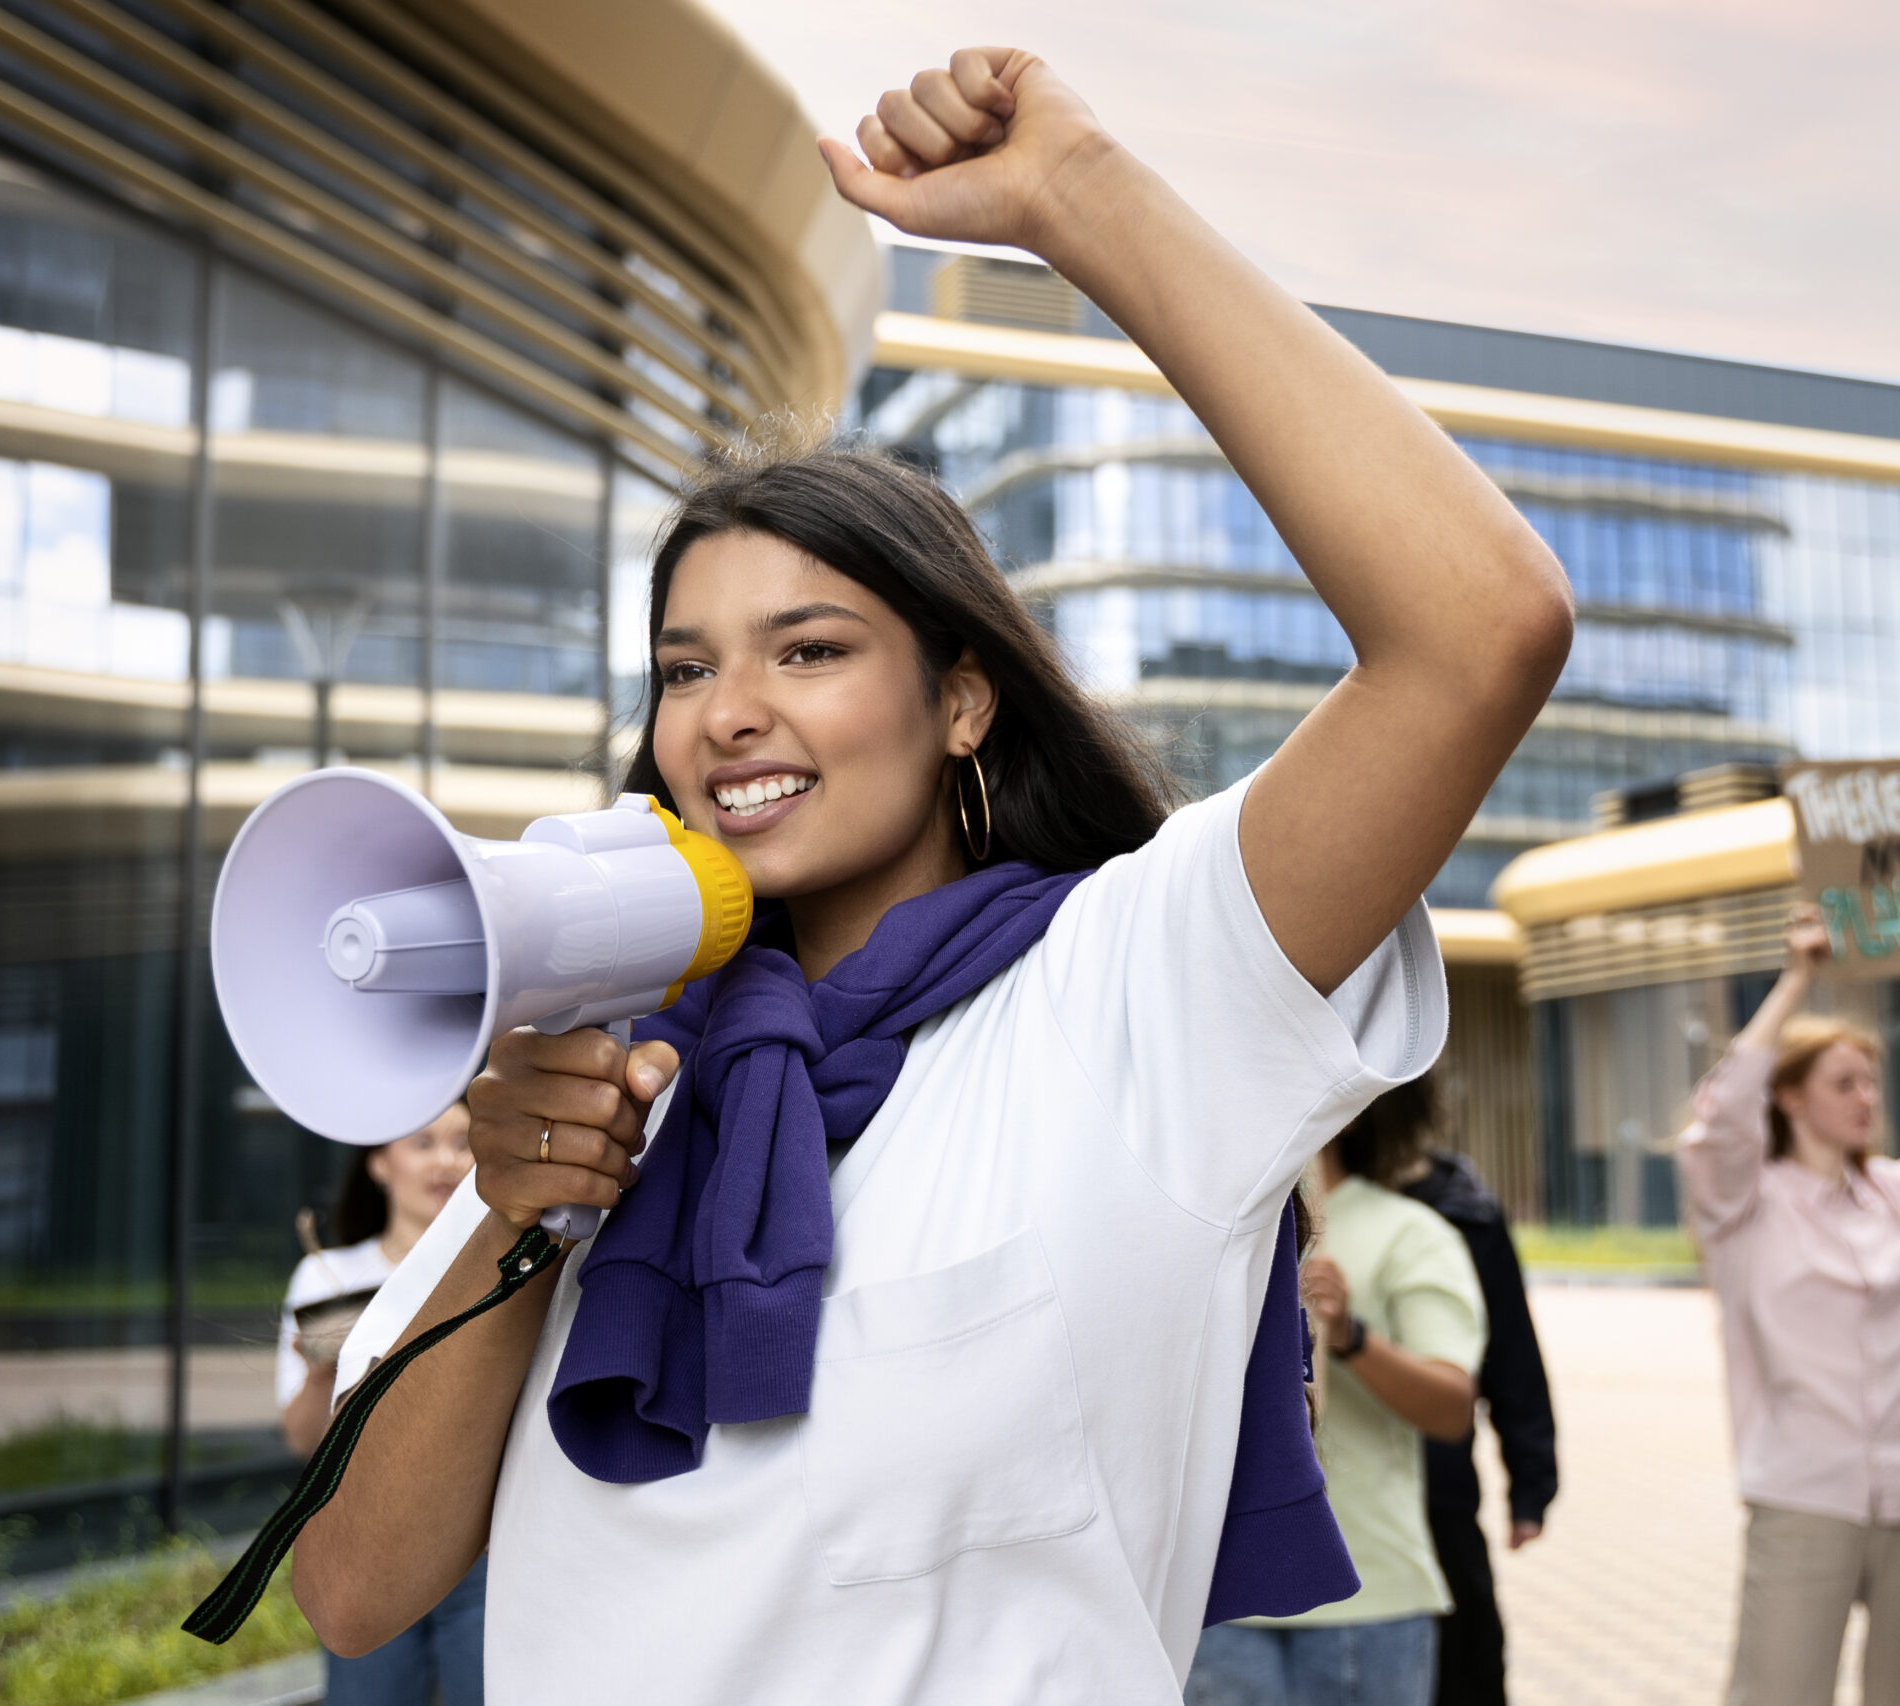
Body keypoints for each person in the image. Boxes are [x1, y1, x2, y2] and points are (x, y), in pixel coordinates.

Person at [286, 44, 1572, 1704]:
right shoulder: (607, 1079)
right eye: (682, 668)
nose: (727, 710)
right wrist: (515, 1220)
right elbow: (353, 1591)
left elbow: (1481, 629)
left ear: (962, 697)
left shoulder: (1145, 985)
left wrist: (1076, 193)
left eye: (808, 648)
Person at [1189, 1082, 1489, 1706]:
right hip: (1221, 1597)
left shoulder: (1411, 1232)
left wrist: (1352, 1338)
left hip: (1368, 1599)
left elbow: (1452, 1409)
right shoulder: (1203, 1226)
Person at [1679, 906, 1899, 1706]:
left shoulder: (1890, 1196)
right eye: (1845, 1082)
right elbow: (1721, 1116)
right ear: (1793, 1099)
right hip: (1805, 1497)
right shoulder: (1745, 1205)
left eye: (1872, 1080)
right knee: (1779, 1693)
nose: (1867, 1096)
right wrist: (1798, 978)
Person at [276, 1105, 484, 1706]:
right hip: (361, 1540)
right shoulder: (326, 1279)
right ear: (378, 1163)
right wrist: (320, 1374)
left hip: (480, 1542)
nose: (446, 1160)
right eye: (423, 1143)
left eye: (462, 1142)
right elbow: (303, 1443)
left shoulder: (507, 1268)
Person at [1401, 1103, 1558, 1706]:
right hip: (1337, 1499)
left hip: (1441, 1490)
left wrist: (1531, 1483)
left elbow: (1513, 1356)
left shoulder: (1468, 1211)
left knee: (1466, 1667)